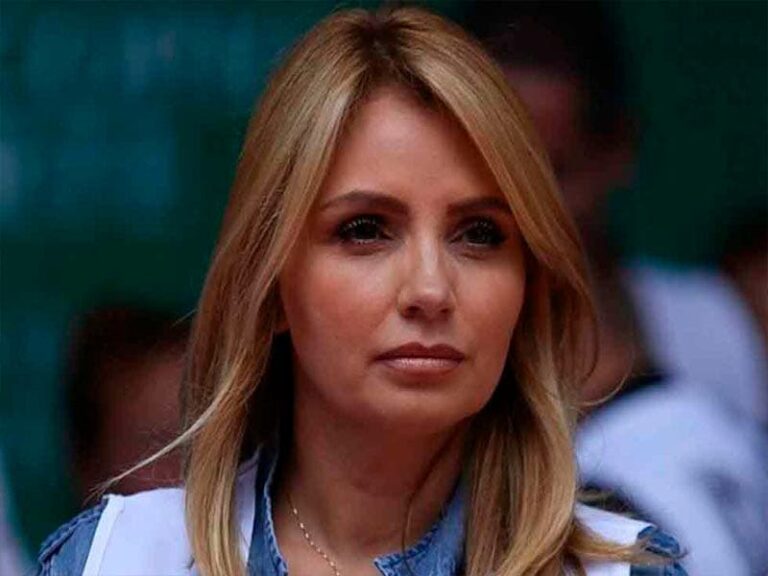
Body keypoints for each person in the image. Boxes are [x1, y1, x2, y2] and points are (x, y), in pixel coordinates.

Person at [36, 7, 685, 576]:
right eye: (366, 229)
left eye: (480, 234)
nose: (430, 288)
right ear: (271, 283)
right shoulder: (118, 559)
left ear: (528, 284)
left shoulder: (616, 571)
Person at [463, 2, 768, 574]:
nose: (519, 210)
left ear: (616, 149)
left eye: (551, 173)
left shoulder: (713, 329)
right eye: (488, 175)